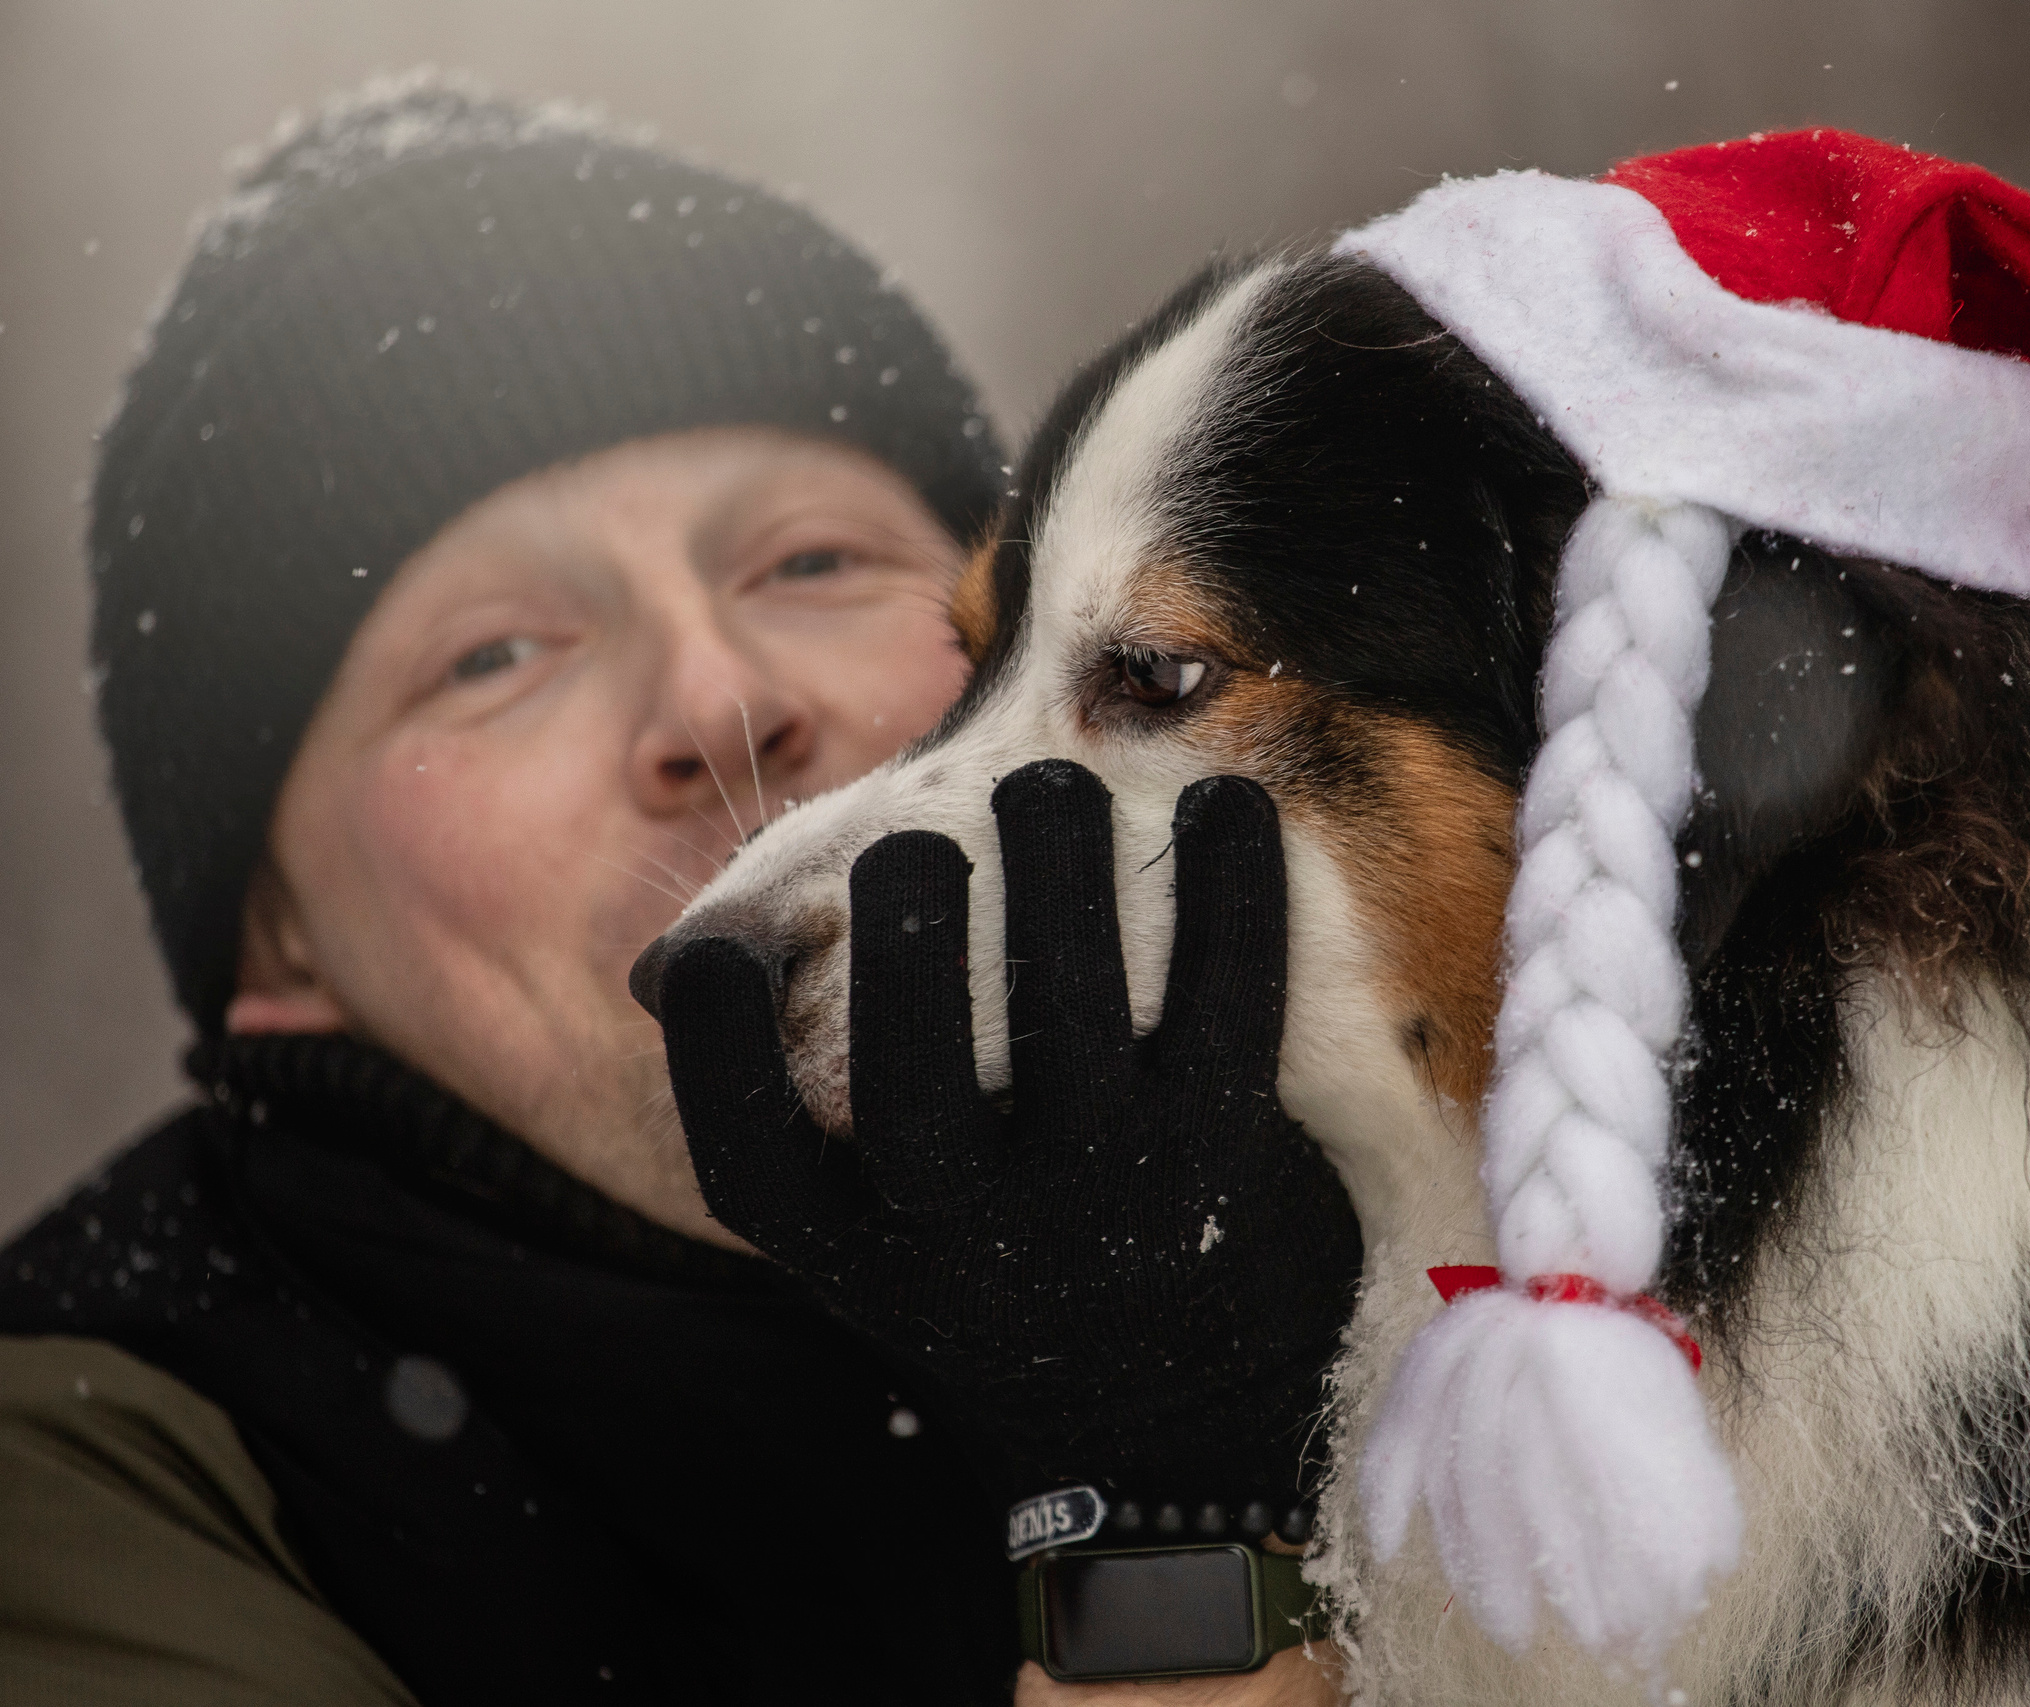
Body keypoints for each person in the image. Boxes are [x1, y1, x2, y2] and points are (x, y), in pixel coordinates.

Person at [0, 76, 1359, 1707]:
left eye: (811, 561)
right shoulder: (93, 1487)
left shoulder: (1493, 1208)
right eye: (494, 655)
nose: (721, 699)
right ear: (276, 939)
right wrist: (1164, 1544)